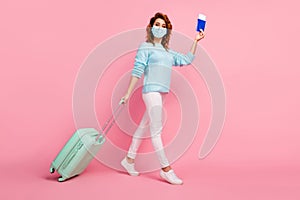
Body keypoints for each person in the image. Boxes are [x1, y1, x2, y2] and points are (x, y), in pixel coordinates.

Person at [120, 12, 205, 185]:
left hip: (162, 93)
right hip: (150, 92)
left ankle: (128, 160)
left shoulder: (167, 52)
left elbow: (186, 60)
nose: (160, 28)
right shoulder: (145, 46)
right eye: (157, 25)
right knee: (156, 130)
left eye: (163, 26)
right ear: (151, 28)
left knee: (144, 126)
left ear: (167, 31)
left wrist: (196, 40)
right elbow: (137, 70)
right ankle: (166, 169)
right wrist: (128, 93)